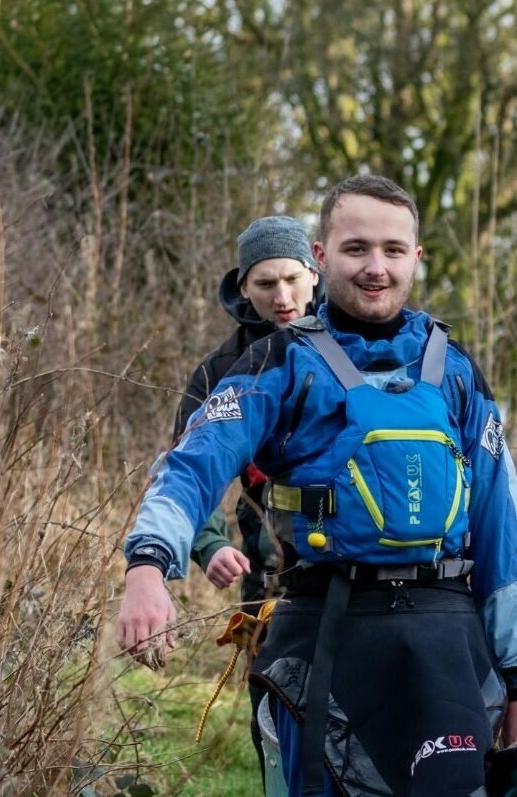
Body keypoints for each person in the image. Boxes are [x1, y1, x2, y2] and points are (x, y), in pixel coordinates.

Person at [117, 174, 517, 796]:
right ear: (321, 257)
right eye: (356, 249)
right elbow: (192, 465)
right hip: (327, 636)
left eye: (393, 250)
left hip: (447, 646)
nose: (376, 268)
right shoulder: (277, 364)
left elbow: (503, 538)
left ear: (415, 259)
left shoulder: (455, 371)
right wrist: (147, 568)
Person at [175, 215, 322, 779]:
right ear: (243, 287)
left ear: (315, 272)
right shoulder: (218, 372)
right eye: (265, 284)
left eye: (291, 279)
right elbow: (181, 473)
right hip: (271, 582)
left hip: (365, 574)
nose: (282, 297)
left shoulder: (358, 346)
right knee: (277, 728)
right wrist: (208, 545)